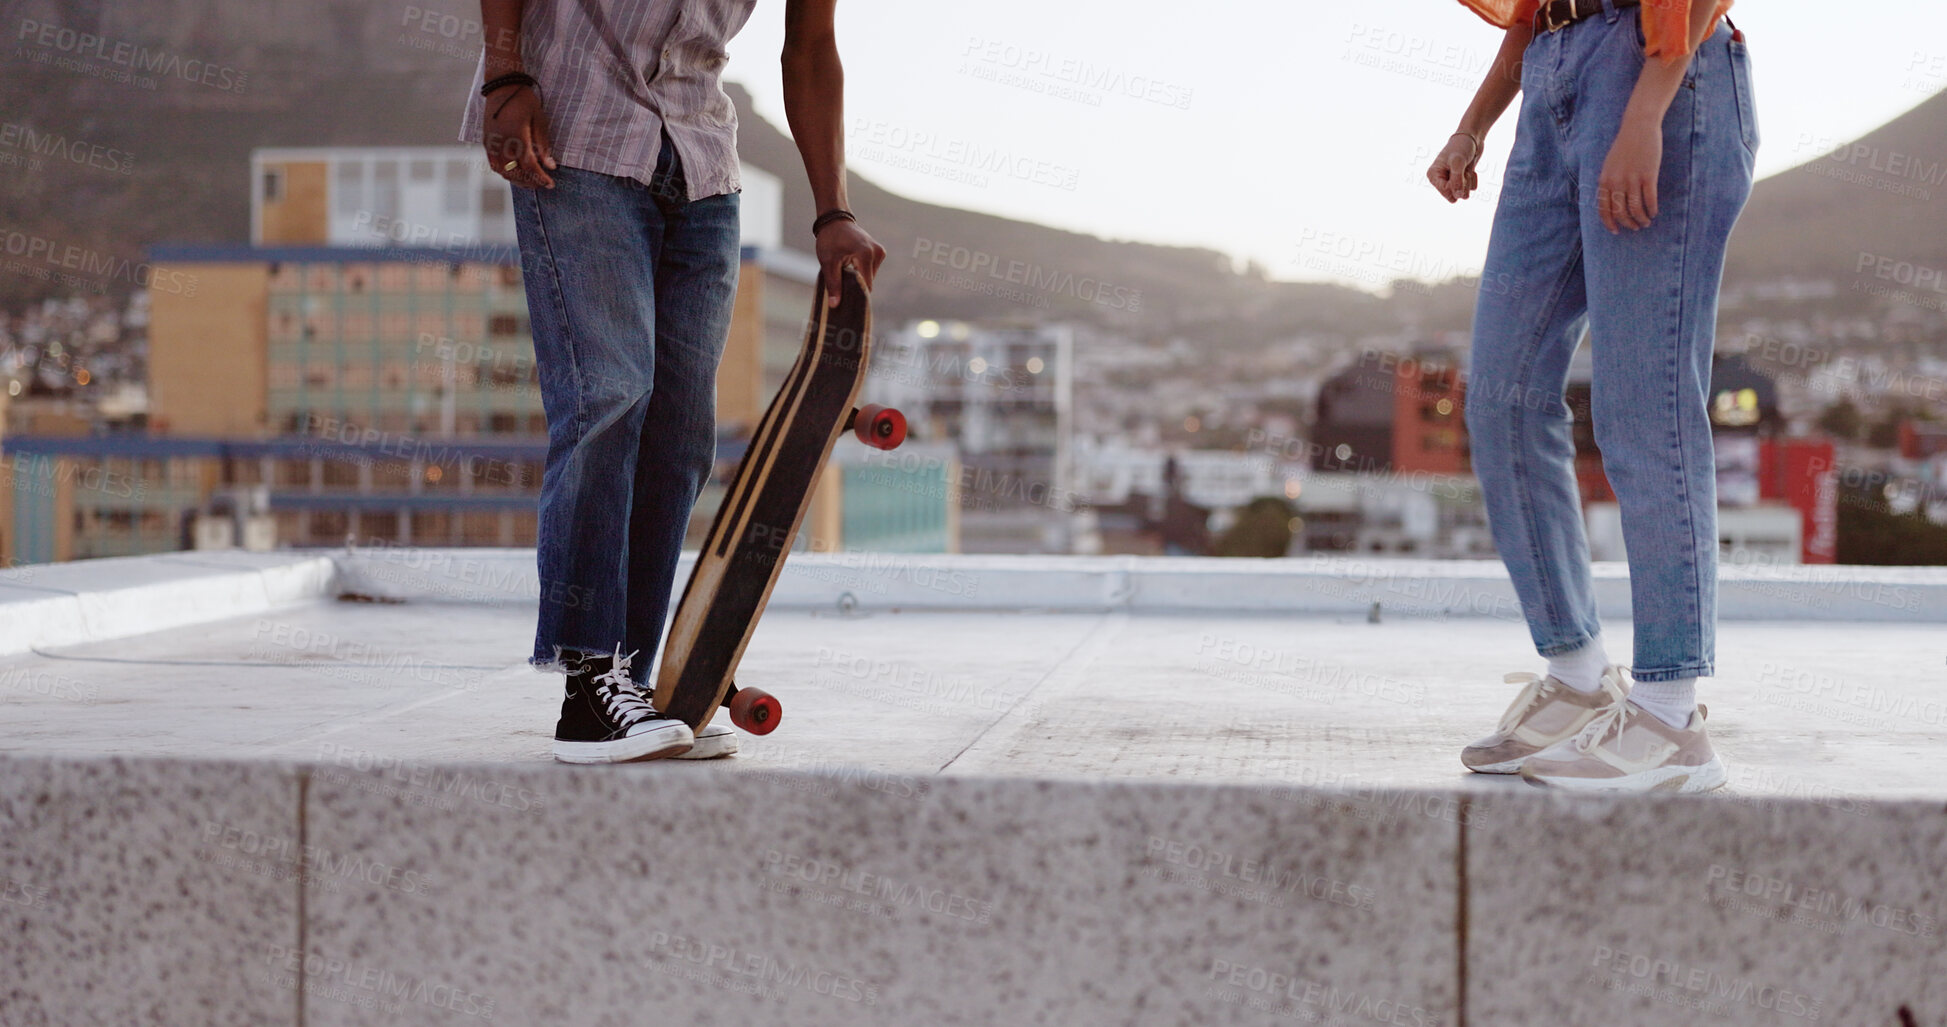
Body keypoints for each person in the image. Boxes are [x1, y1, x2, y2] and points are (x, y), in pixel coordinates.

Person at [462, 0, 886, 764]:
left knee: (682, 432)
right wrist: (505, 74)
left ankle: (632, 679)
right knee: (608, 395)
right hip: (573, 137)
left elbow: (811, 49)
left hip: (699, 164)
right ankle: (588, 686)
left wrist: (833, 212)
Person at [1429, 0, 1756, 791]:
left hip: (1653, 66)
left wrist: (1647, 110)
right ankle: (1577, 676)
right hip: (1550, 73)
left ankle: (1671, 716)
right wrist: (1474, 123)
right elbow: (1531, 10)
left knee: (1642, 406)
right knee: (1501, 398)